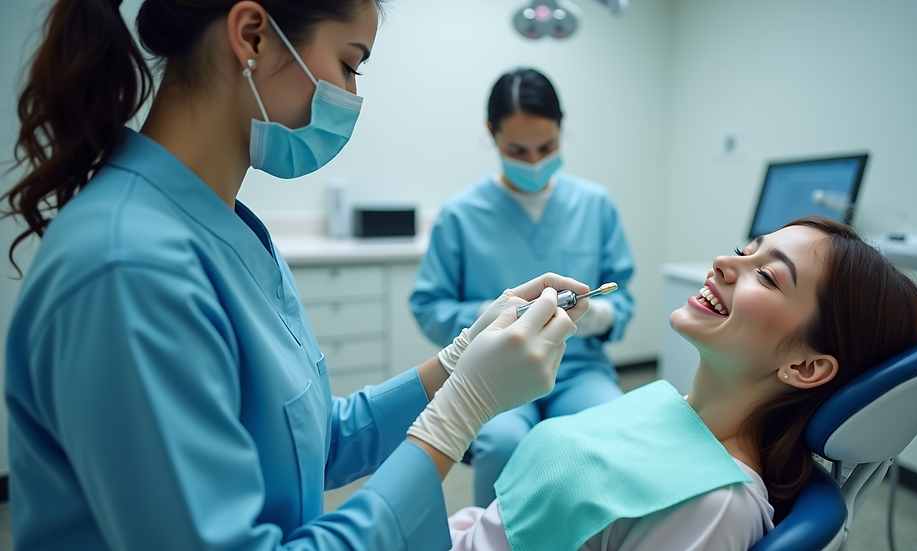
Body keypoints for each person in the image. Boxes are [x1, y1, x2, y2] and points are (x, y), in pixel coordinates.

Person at [1, 1, 593, 549]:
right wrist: (457, 416)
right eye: (350, 64)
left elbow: (313, 442)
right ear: (252, 35)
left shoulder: (227, 228)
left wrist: (455, 363)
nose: (352, 95)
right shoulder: (129, 267)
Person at [445, 217, 917, 551]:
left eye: (766, 275)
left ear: (806, 367)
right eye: (744, 251)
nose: (721, 262)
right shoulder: (665, 402)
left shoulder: (715, 506)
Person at [410, 67, 636, 506]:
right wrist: (501, 316)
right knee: (503, 444)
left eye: (546, 147)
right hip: (496, 370)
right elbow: (429, 305)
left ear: (561, 128)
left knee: (610, 432)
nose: (533, 161)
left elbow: (623, 295)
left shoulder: (595, 205)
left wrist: (602, 315)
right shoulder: (460, 215)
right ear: (491, 134)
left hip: (579, 370)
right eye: (517, 150)